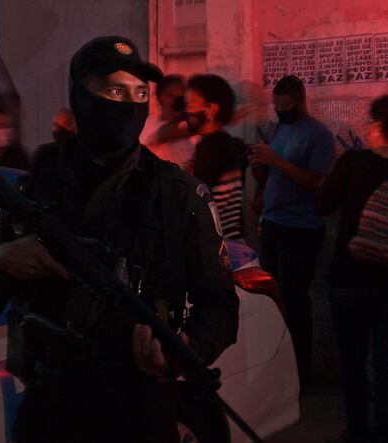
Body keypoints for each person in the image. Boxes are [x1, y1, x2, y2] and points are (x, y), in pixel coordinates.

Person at [0, 35, 239, 443]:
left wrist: (181, 348)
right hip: (53, 417)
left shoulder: (177, 196)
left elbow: (221, 307)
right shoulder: (32, 191)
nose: (130, 104)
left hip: (141, 416)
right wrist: (3, 261)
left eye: (140, 93)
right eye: (113, 90)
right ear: (80, 95)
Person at [249, 74, 336, 391]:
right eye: (277, 106)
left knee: (295, 299)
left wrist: (277, 160)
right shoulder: (280, 129)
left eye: (286, 106)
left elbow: (316, 182)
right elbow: (272, 174)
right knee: (273, 298)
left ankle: (301, 373)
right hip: (273, 223)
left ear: (299, 101)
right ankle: (276, 367)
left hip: (301, 229)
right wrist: (260, 167)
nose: (281, 110)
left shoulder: (318, 135)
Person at [316, 95, 388, 443]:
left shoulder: (355, 161)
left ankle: (358, 435)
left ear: (378, 126)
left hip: (351, 276)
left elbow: (322, 204)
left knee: (354, 361)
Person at [185, 74, 246, 240]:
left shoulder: (215, 145)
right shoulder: (216, 142)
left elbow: (196, 197)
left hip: (219, 243)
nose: (187, 111)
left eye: (191, 104)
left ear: (211, 109)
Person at [139, 74, 194, 169]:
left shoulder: (186, 125)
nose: (184, 98)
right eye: (181, 94)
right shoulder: (149, 127)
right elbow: (165, 133)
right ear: (164, 98)